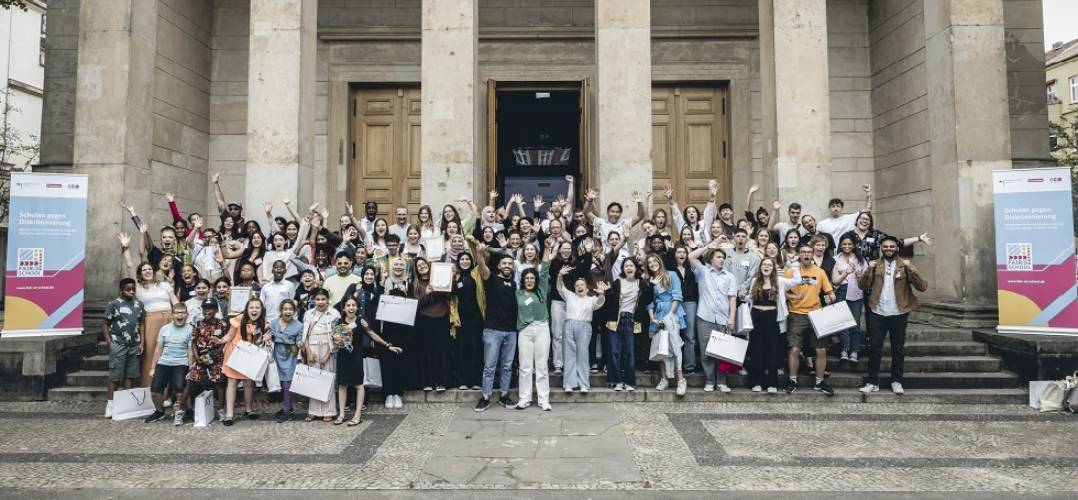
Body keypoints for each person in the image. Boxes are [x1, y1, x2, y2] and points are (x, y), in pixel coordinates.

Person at [858, 236, 928, 395]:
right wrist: (868, 270)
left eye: (891, 247)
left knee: (898, 349)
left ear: (897, 248)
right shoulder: (875, 265)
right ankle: (872, 381)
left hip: (899, 312)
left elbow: (922, 287)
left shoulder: (905, 266)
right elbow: (862, 285)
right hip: (878, 312)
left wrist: (913, 271)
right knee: (874, 348)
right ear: (881, 248)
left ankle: (897, 381)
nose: (888, 249)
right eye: (885, 247)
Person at [120, 232, 179, 390]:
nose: (147, 271)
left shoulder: (164, 285)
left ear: (153, 271)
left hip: (169, 319)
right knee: (150, 354)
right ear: (141, 273)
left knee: (169, 354)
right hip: (151, 320)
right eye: (144, 270)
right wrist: (125, 247)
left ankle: (166, 394)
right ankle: (149, 390)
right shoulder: (138, 287)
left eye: (149, 269)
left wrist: (181, 315)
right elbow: (130, 266)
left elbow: (175, 302)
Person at [783, 244, 837, 396]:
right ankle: (792, 380)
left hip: (816, 314)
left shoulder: (819, 272)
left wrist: (830, 299)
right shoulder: (790, 272)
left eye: (809, 252)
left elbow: (831, 293)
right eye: (803, 252)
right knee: (794, 349)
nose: (806, 254)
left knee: (821, 350)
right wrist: (793, 296)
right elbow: (782, 292)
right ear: (799, 254)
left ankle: (819, 382)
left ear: (813, 254)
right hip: (796, 313)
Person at [740, 258, 799, 393]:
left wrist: (795, 265)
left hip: (772, 317)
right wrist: (744, 297)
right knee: (756, 349)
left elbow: (796, 281)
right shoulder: (755, 281)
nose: (766, 267)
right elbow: (751, 298)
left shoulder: (780, 281)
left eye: (769, 265)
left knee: (772, 349)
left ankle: (772, 383)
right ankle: (756, 382)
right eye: (764, 264)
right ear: (760, 267)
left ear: (773, 268)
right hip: (756, 316)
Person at [688, 240, 738, 392]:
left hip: (723, 317)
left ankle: (722, 381)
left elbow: (732, 298)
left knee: (722, 352)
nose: (721, 259)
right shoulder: (703, 272)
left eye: (723, 257)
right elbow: (691, 256)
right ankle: (709, 380)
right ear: (711, 259)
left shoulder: (730, 277)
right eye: (718, 257)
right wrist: (710, 246)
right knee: (706, 351)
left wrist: (732, 317)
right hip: (705, 317)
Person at [473, 248, 519, 412]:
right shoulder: (491, 279)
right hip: (493, 330)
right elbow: (482, 268)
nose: (507, 266)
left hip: (511, 331)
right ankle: (485, 397)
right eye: (504, 263)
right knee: (490, 366)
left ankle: (504, 395)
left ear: (513, 267)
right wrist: (479, 254)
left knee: (507, 366)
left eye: (510, 264)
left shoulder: (514, 284)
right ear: (499, 266)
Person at [216, 298, 270, 425]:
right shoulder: (239, 319)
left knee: (249, 384)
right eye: (251, 307)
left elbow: (256, 342)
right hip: (234, 353)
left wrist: (263, 340)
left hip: (249, 355)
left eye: (257, 307)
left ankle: (248, 409)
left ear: (261, 310)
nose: (254, 310)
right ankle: (229, 414)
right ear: (247, 309)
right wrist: (220, 341)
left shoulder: (262, 323)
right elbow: (229, 336)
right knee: (232, 383)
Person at [514, 243, 554, 411]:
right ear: (522, 280)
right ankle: (524, 398)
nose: (529, 280)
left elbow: (544, 268)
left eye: (532, 278)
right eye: (527, 278)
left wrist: (546, 248)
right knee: (524, 366)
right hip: (524, 331)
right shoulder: (517, 294)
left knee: (542, 365)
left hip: (541, 328)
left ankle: (543, 399)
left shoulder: (541, 291)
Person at [556, 266, 608, 393]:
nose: (579, 287)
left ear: (586, 288)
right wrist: (560, 275)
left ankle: (583, 384)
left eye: (582, 285)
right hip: (569, 325)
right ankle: (569, 383)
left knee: (583, 355)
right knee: (569, 355)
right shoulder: (569, 296)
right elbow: (560, 287)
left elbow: (599, 303)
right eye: (577, 285)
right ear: (574, 288)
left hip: (584, 326)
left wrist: (601, 293)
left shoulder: (591, 299)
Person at [102, 278, 146, 419]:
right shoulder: (114, 304)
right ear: (121, 290)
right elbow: (105, 323)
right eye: (128, 289)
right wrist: (110, 342)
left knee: (130, 375)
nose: (131, 292)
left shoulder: (139, 305)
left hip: (134, 344)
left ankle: (127, 404)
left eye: (133, 289)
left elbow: (142, 323)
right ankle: (110, 403)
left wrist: (142, 342)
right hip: (118, 343)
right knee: (115, 375)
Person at [144, 302, 193, 425]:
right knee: (155, 391)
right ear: (172, 315)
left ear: (187, 315)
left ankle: (188, 410)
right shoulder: (164, 329)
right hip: (164, 362)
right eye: (177, 313)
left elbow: (190, 350)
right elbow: (158, 349)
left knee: (180, 391)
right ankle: (159, 412)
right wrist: (152, 368)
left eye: (182, 313)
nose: (179, 315)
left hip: (181, 363)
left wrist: (191, 368)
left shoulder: (191, 329)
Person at [646, 254, 687, 396]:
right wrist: (652, 318)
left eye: (654, 260)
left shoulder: (672, 275)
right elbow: (648, 301)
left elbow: (677, 295)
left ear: (660, 261)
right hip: (658, 314)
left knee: (675, 346)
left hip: (672, 312)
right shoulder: (649, 280)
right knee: (661, 347)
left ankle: (680, 379)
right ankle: (664, 378)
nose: (652, 263)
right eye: (649, 262)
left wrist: (670, 315)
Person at [413, 257, 452, 392]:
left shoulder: (438, 277)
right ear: (416, 270)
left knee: (442, 351)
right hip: (424, 320)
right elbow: (414, 305)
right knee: (426, 352)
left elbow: (452, 291)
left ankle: (441, 382)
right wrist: (426, 294)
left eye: (423, 263)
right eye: (419, 266)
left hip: (441, 318)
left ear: (429, 265)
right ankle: (428, 382)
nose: (422, 266)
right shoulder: (416, 284)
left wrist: (451, 275)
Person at [302, 289, 340, 422]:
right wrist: (308, 352)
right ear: (314, 300)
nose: (320, 302)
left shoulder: (334, 314)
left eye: (323, 299)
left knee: (327, 379)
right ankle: (313, 410)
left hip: (327, 347)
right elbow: (305, 334)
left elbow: (336, 336)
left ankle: (328, 410)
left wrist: (328, 353)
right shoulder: (308, 314)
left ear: (327, 299)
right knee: (313, 380)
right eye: (317, 299)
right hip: (312, 346)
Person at [450, 250, 485, 391]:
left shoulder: (476, 273)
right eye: (462, 259)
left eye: (467, 259)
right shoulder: (455, 276)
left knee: (476, 348)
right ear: (458, 262)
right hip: (461, 318)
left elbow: (484, 257)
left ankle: (476, 380)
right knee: (461, 348)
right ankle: (462, 380)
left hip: (476, 317)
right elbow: (451, 297)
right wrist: (454, 317)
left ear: (471, 261)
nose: (464, 261)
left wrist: (474, 243)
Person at [832, 234, 868, 362]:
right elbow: (834, 280)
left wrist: (859, 276)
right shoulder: (835, 259)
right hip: (840, 291)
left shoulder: (861, 260)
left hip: (855, 292)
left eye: (849, 244)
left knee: (855, 323)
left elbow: (866, 280)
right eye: (844, 244)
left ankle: (854, 350)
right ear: (840, 245)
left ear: (853, 245)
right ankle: (844, 349)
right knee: (842, 322)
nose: (847, 246)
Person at [269, 299, 303, 423]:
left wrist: (299, 343)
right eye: (285, 309)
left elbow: (299, 339)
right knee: (281, 384)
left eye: (290, 309)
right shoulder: (273, 324)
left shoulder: (298, 325)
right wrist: (268, 339)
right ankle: (287, 406)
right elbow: (269, 337)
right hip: (277, 355)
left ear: (294, 311)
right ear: (281, 310)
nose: (288, 311)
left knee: (287, 384)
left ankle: (287, 412)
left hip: (290, 355)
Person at [668, 244, 699, 374]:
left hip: (690, 302)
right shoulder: (670, 269)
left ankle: (689, 366)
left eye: (683, 252)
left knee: (689, 335)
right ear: (674, 254)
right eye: (678, 252)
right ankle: (675, 366)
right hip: (674, 303)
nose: (681, 254)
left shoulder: (691, 267)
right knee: (674, 334)